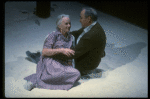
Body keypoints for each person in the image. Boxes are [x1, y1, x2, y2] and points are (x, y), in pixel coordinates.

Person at [26, 7, 106, 77]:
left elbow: (72, 54)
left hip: (84, 67)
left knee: (52, 60)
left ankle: (40, 58)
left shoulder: (92, 35)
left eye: (81, 18)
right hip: (87, 58)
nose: (79, 20)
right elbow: (77, 33)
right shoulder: (93, 26)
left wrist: (52, 54)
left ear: (89, 19)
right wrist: (61, 34)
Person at [24, 14, 80, 91]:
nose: (69, 25)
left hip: (63, 63)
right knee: (57, 71)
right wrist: (62, 50)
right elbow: (44, 52)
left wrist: (70, 64)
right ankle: (36, 81)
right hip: (51, 62)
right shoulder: (53, 35)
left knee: (76, 74)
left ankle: (49, 78)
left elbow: (70, 53)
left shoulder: (71, 37)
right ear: (59, 25)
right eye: (66, 24)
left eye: (70, 23)